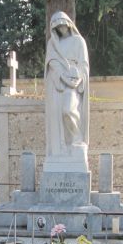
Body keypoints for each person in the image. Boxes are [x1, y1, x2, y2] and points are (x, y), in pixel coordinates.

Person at [45, 11, 89, 161]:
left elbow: (84, 64)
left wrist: (78, 78)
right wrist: (61, 74)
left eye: (63, 24)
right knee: (58, 115)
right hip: (58, 83)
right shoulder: (53, 43)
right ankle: (62, 149)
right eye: (58, 26)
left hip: (73, 81)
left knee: (68, 110)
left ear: (68, 24)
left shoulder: (78, 41)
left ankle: (76, 140)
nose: (61, 28)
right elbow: (51, 61)